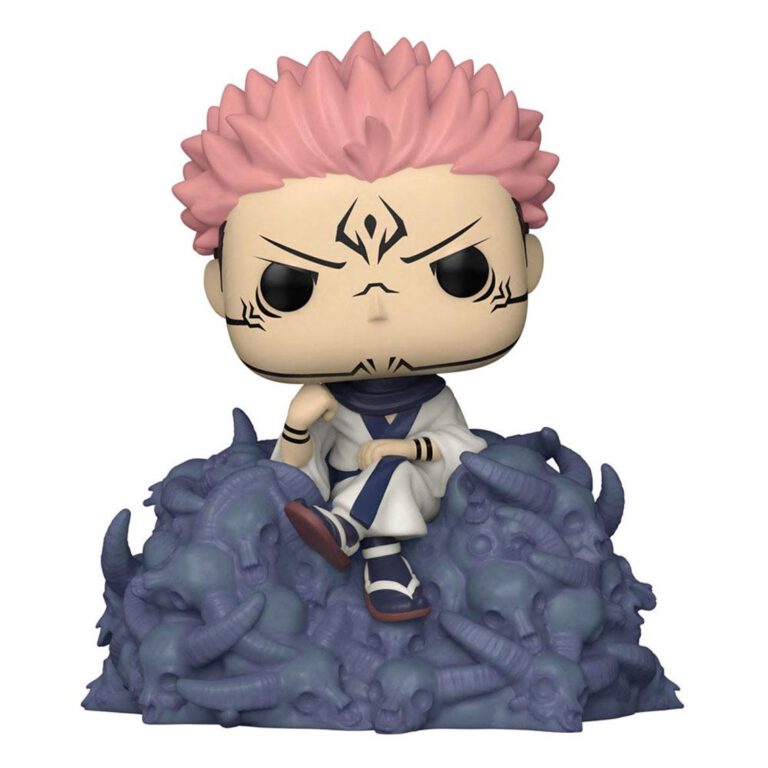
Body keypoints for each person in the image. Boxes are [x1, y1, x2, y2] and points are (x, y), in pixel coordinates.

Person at [173, 31, 557, 621]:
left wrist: (409, 446)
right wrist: (298, 428)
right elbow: (294, 477)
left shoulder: (432, 400)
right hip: (351, 488)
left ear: (526, 265)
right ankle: (383, 566)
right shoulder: (332, 403)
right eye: (290, 286)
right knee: (383, 473)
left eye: (460, 272)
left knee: (395, 469)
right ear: (220, 289)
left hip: (421, 489)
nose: (377, 310)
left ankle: (350, 531)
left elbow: (461, 448)